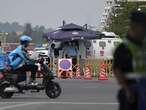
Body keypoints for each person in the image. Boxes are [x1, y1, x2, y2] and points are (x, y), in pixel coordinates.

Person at [113, 11, 146, 110]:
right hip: (132, 93)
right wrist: (127, 90)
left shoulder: (143, 46)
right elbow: (117, 70)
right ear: (134, 26)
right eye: (143, 27)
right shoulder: (124, 48)